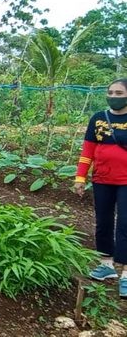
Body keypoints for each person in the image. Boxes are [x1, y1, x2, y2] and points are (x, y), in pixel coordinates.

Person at [75, 78, 127, 298]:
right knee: (103, 221)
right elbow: (88, 151)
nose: (114, 97)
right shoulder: (98, 119)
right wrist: (80, 177)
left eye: (119, 93)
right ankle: (106, 264)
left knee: (125, 224)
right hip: (102, 179)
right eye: (111, 93)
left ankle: (125, 273)